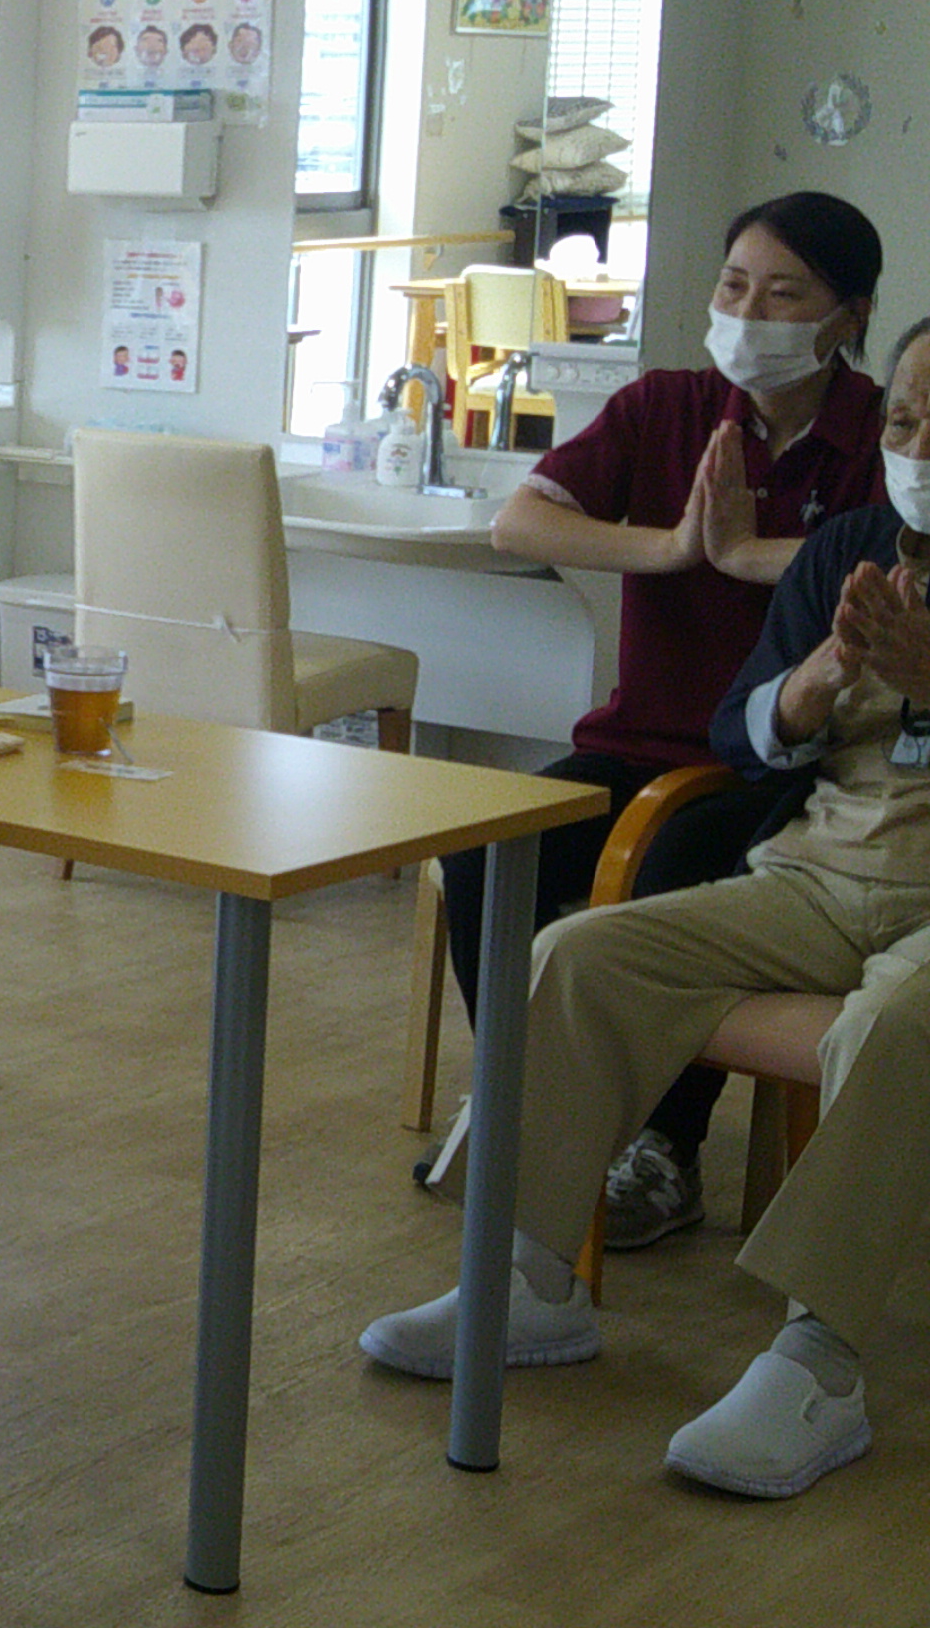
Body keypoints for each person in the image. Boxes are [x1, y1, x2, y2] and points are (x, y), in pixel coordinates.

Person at [357, 316, 930, 1501]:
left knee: (894, 1023)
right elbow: (741, 731)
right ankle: (531, 1276)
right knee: (582, 950)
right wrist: (817, 679)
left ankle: (818, 1360)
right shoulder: (853, 548)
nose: (917, 448)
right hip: (823, 873)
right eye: (908, 420)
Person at [426, 193, 887, 1241]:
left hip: (788, 764)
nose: (749, 313)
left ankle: (663, 1148)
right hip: (640, 739)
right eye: (734, 286)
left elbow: (891, 567)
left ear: (849, 315)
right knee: (490, 852)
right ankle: (528, 1108)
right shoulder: (668, 406)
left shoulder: (879, 432)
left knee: (675, 866)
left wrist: (752, 557)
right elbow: (520, 522)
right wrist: (676, 547)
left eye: (785, 294)